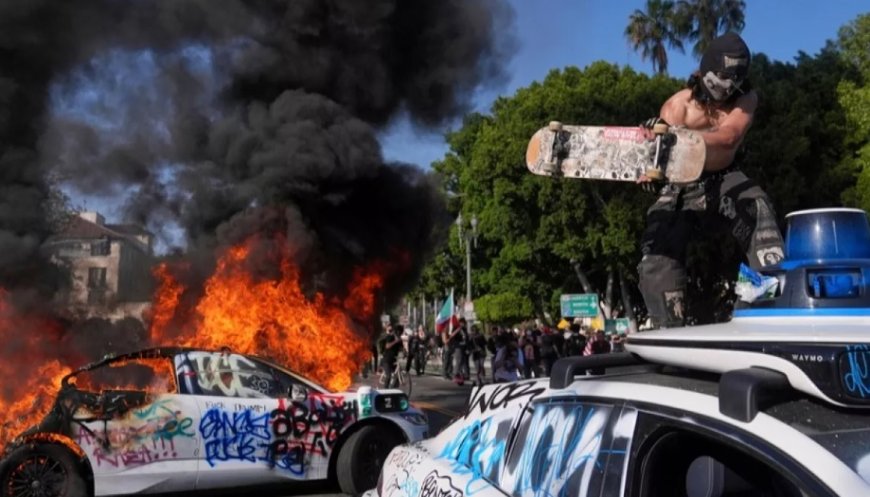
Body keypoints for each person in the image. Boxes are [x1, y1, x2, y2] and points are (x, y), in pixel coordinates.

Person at [636, 32, 785, 328]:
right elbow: (657, 162)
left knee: (759, 210)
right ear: (705, 72)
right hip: (680, 182)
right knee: (657, 244)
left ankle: (753, 311)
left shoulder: (746, 99)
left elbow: (729, 138)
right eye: (722, 78)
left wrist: (682, 137)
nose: (728, 87)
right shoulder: (678, 106)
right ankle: (668, 324)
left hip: (724, 176)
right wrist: (651, 170)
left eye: (735, 80)